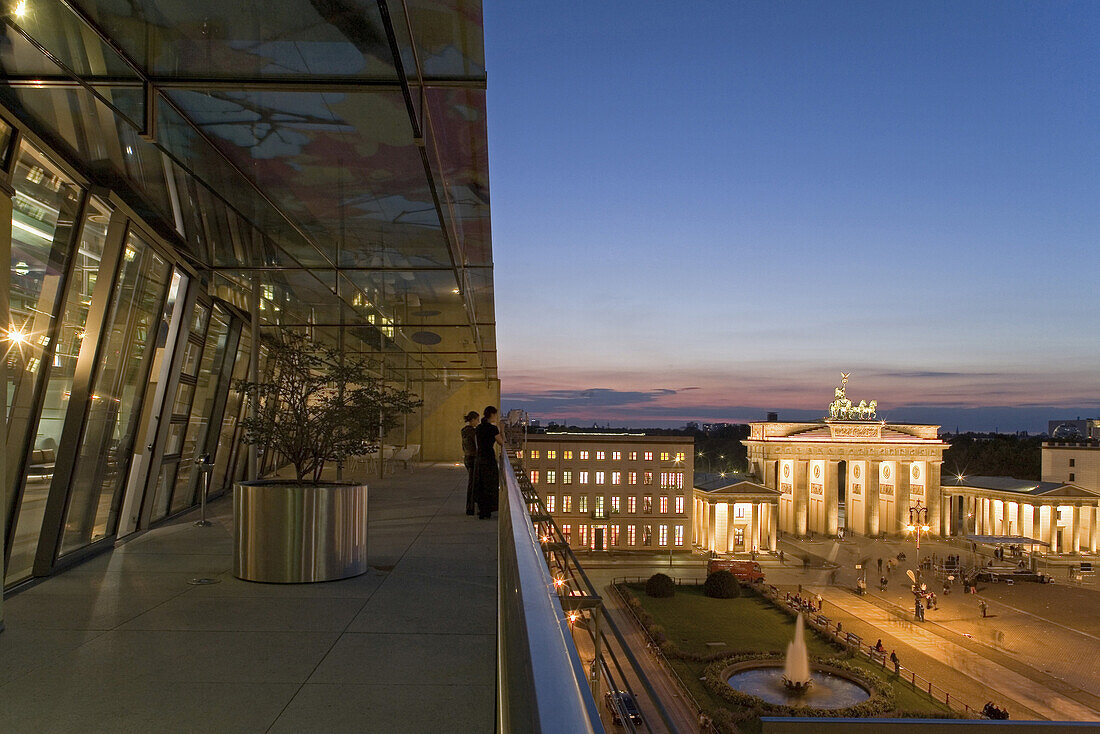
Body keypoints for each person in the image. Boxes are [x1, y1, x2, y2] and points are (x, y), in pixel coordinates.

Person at [473, 406, 503, 519]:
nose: (496, 416)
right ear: (492, 414)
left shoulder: (479, 428)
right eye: (495, 414)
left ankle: (482, 510)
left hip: (480, 458)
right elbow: (501, 442)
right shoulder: (493, 429)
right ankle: (488, 510)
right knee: (490, 484)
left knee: (481, 484)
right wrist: (502, 430)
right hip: (489, 458)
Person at [461, 411, 479, 516]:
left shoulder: (464, 430)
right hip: (472, 458)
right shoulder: (473, 432)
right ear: (472, 420)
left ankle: (470, 507)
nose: (478, 422)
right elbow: (477, 445)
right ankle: (470, 508)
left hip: (467, 458)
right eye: (477, 419)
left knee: (471, 484)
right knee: (472, 485)